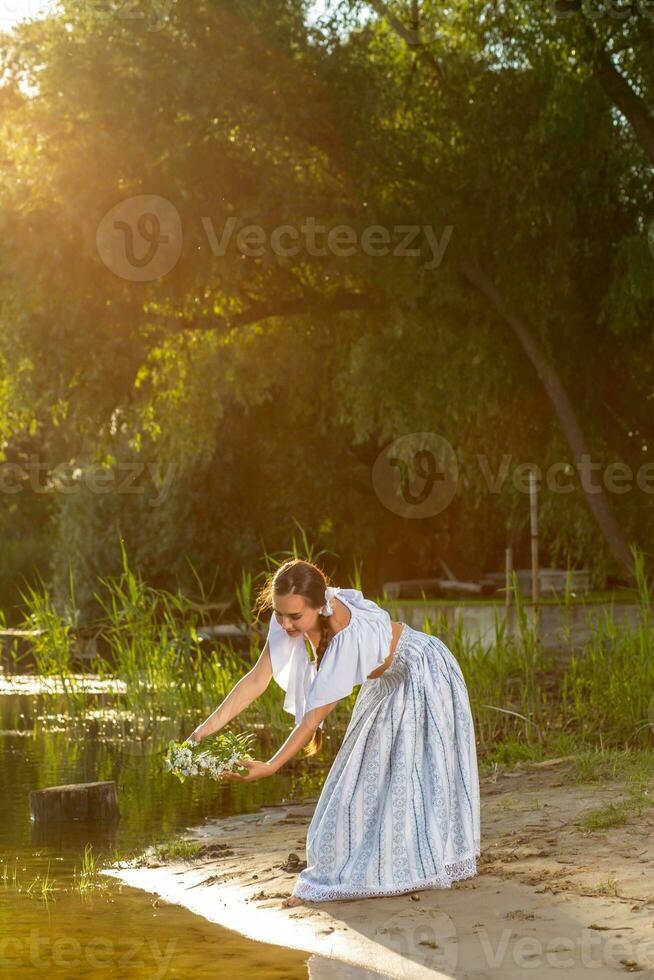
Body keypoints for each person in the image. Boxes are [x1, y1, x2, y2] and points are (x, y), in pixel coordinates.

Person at [186, 558, 481, 906]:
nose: (285, 623)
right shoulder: (289, 617)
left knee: (407, 777)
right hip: (387, 682)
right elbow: (257, 679)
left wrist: (270, 766)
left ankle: (415, 860)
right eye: (280, 614)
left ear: (318, 606)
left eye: (295, 617)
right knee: (362, 779)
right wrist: (202, 732)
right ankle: (356, 865)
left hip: (424, 670)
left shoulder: (343, 634)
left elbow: (310, 722)